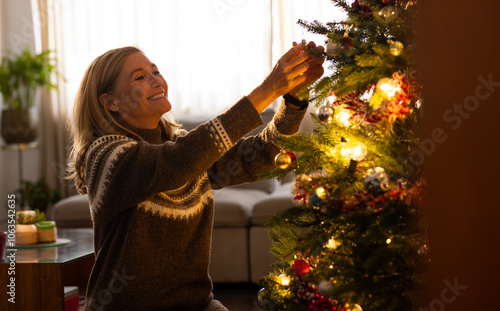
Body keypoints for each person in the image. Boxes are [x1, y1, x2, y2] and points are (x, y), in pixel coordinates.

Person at [67, 41, 324, 310]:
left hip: (198, 305)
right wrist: (267, 90)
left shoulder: (180, 144)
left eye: (155, 71)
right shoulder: (106, 155)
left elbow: (260, 156)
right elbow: (180, 161)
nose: (156, 80)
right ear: (111, 102)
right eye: (140, 77)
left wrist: (293, 101)